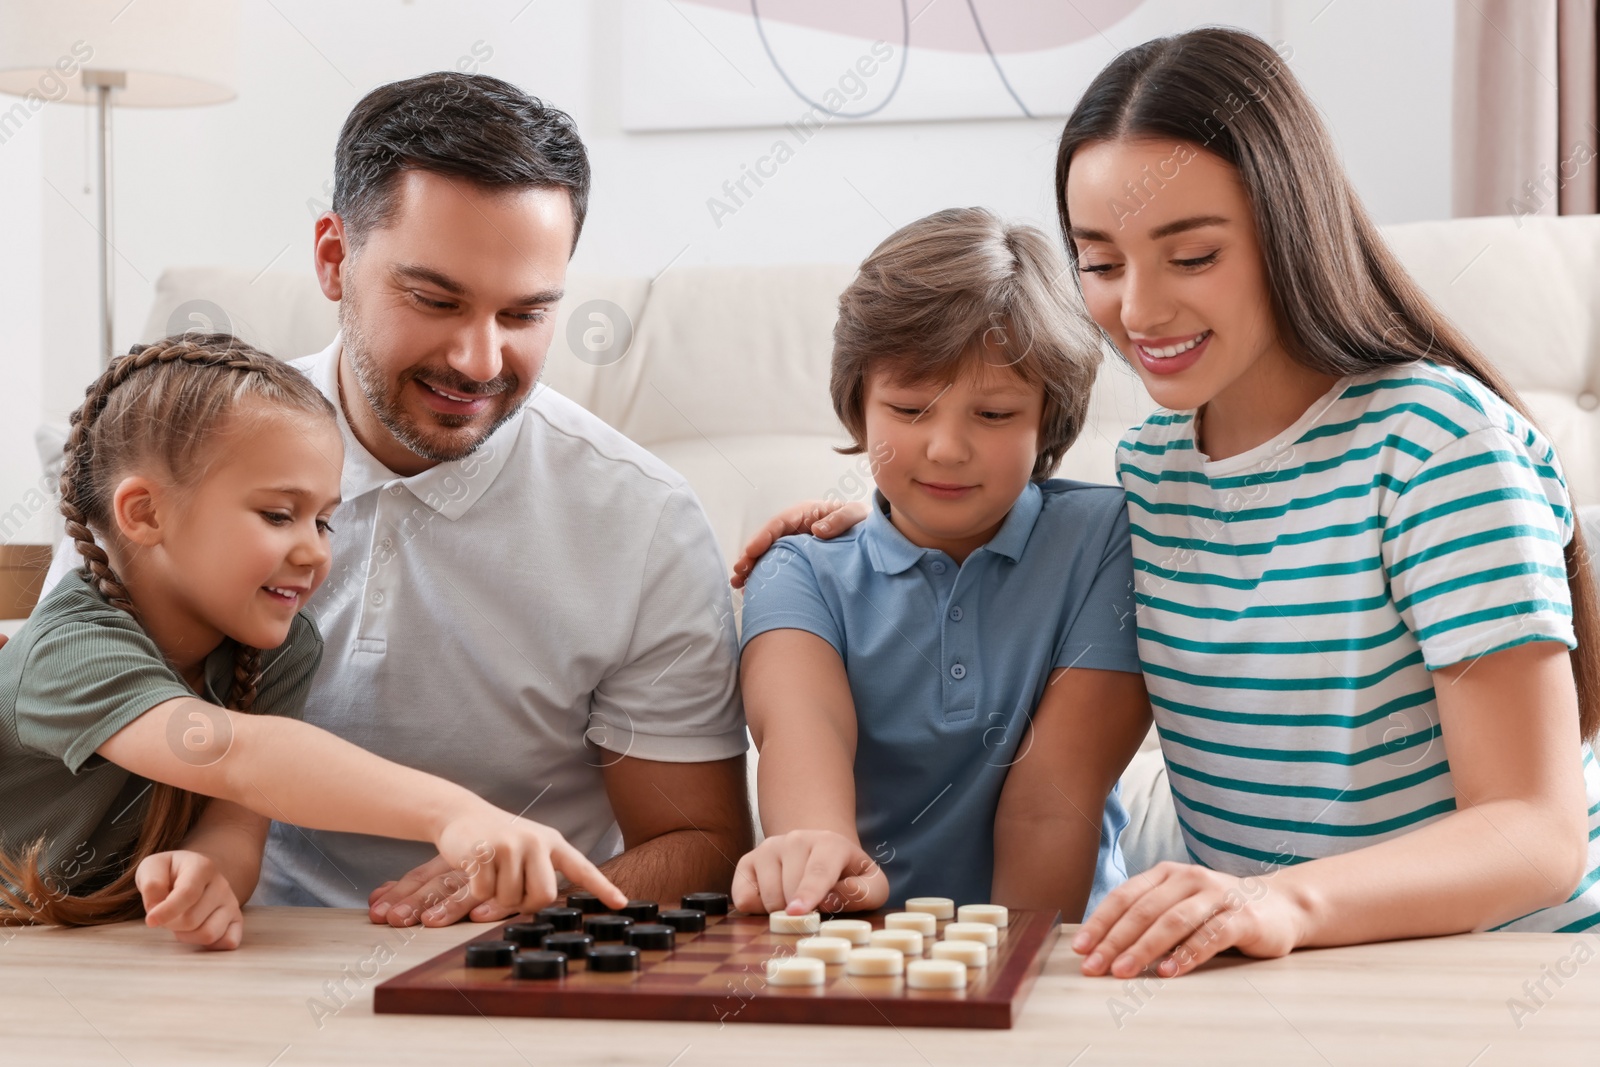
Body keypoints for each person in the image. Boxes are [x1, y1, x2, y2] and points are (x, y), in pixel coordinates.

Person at [734, 27, 1600, 976]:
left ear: (1288, 229)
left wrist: (1278, 898)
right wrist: (885, 522)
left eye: (1190, 257)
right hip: (1265, 978)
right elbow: (1015, 534)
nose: (1138, 312)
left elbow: (1534, 833)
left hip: (1496, 972)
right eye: (1101, 263)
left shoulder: (1438, 444)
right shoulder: (1152, 472)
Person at [43, 73, 752, 927]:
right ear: (334, 259)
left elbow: (704, 843)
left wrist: (531, 893)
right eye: (436, 299)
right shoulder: (174, 455)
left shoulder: (642, 521)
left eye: (525, 313)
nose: (480, 359)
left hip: (504, 955)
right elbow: (214, 754)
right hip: (221, 950)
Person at [1, 335, 625, 950]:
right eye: (279, 515)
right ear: (144, 514)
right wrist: (452, 813)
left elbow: (239, 826)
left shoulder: (275, 648)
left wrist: (210, 873)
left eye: (324, 520)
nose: (315, 551)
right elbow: (238, 756)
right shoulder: (70, 649)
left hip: (87, 959)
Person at [734, 208, 1150, 922]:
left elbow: (1050, 810)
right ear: (859, 407)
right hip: (864, 952)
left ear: (1047, 418)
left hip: (1055, 956)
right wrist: (822, 865)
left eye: (992, 415)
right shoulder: (796, 572)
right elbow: (805, 750)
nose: (947, 449)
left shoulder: (1107, 539)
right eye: (909, 408)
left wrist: (998, 1001)